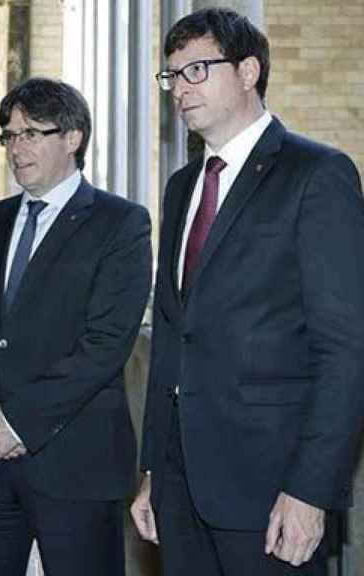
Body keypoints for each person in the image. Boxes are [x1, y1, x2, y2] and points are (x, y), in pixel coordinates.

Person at [131, 8, 364, 574]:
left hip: (272, 487)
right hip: (181, 485)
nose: (180, 89)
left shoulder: (316, 173)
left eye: (197, 70)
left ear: (248, 71)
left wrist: (310, 490)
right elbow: (171, 331)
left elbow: (345, 348)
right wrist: (154, 471)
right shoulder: (182, 186)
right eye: (172, 76)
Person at [0, 78, 152, 575]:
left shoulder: (119, 223)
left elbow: (105, 344)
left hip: (75, 464)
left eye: (31, 133)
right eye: (9, 136)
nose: (17, 148)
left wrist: (16, 422)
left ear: (73, 137)